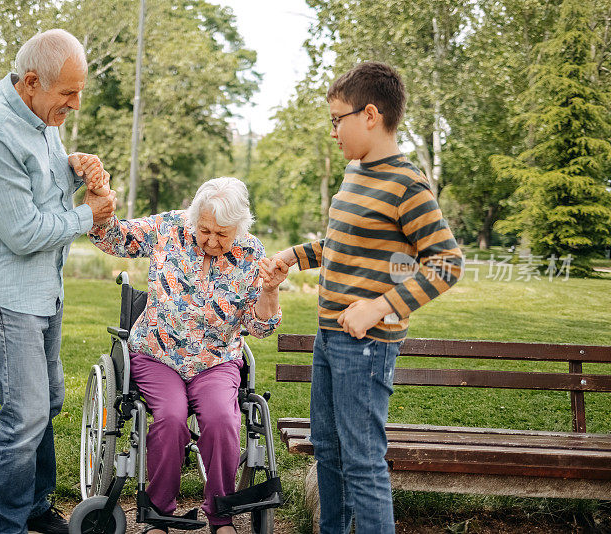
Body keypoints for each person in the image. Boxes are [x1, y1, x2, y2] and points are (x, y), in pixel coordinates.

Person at [271, 62, 464, 533]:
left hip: (366, 346)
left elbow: (446, 263)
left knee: (362, 461)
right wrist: (295, 257)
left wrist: (381, 307)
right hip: (328, 336)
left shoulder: (407, 184)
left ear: (371, 115)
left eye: (338, 119)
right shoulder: (355, 173)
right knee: (329, 451)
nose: (333, 131)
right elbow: (343, 243)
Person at [0, 29, 116, 534]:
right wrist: (89, 215)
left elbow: (40, 193)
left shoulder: (42, 119)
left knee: (47, 403)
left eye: (79, 90)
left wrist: (72, 171)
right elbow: (22, 232)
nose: (76, 103)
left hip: (43, 287)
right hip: (7, 293)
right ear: (29, 82)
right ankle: (2, 525)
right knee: (23, 416)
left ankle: (34, 508)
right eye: (68, 94)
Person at [88, 177, 289, 534]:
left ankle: (221, 515)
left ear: (240, 228)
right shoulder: (168, 228)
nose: (212, 241)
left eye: (223, 234)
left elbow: (259, 328)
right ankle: (160, 513)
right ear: (193, 218)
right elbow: (113, 237)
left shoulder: (253, 254)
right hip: (157, 354)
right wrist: (100, 207)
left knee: (222, 420)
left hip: (216, 360)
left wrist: (270, 292)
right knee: (170, 417)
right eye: (205, 230)